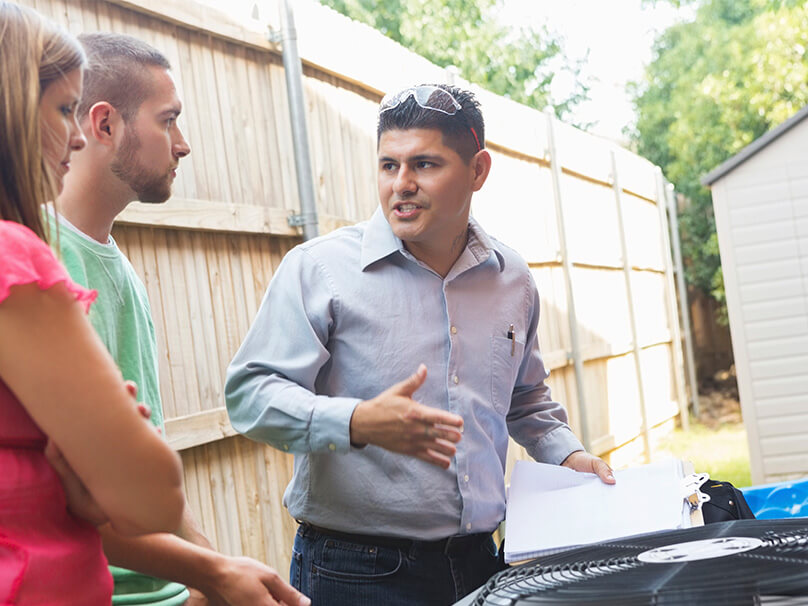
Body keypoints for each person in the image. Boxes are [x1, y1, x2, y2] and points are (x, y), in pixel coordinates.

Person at [225, 83, 616, 605]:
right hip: (356, 573)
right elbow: (250, 395)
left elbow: (524, 400)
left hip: (482, 562)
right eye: (389, 165)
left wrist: (568, 456)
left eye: (425, 165)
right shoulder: (320, 269)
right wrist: (356, 421)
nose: (401, 184)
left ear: (478, 170)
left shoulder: (512, 279)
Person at [52, 31, 310, 606]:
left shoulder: (119, 269)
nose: (183, 144)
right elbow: (58, 490)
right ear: (104, 124)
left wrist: (208, 572)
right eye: (168, 121)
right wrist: (211, 573)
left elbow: (142, 454)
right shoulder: (39, 267)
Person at [0, 3, 185, 603]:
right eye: (62, 109)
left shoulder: (117, 269)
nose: (75, 134)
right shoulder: (18, 260)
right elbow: (152, 496)